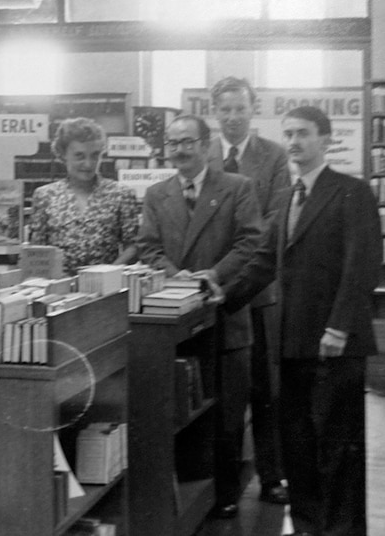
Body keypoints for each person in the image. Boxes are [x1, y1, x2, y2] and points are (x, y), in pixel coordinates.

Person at [224, 106, 380, 536]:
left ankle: (343, 531)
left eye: (304, 134)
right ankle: (309, 526)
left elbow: (363, 263)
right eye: (288, 134)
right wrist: (219, 296)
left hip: (335, 344)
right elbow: (261, 264)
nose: (294, 142)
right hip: (291, 345)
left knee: (338, 448)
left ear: (326, 140)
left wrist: (340, 327)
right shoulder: (288, 197)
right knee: (299, 446)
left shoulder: (351, 191)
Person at [137, 114, 262, 519]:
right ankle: (191, 496)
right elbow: (149, 249)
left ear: (207, 145)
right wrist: (178, 279)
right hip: (177, 321)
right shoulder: (157, 194)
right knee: (185, 412)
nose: (179, 150)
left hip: (225, 314)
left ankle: (225, 495)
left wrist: (211, 276)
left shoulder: (238, 188)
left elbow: (250, 242)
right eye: (172, 143)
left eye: (188, 141)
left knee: (227, 412)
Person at [207, 76, 291, 506]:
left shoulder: (273, 157)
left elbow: (273, 223)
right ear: (215, 112)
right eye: (226, 109)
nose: (234, 117)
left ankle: (272, 475)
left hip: (256, 290)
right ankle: (219, 484)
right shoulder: (203, 155)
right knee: (217, 389)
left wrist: (235, 278)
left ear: (253, 110)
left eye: (241, 109)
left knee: (265, 386)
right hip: (211, 292)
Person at [30, 117, 139, 274]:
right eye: (79, 156)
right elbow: (37, 252)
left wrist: (108, 272)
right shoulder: (45, 196)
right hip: (59, 289)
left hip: (107, 288)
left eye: (95, 155)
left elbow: (133, 246)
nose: (88, 164)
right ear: (62, 155)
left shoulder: (121, 195)